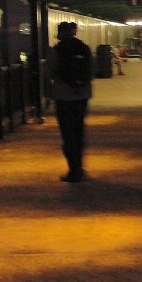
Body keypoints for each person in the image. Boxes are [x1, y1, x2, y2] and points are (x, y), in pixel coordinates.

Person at [48, 21, 93, 182]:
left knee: (68, 134)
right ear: (73, 32)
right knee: (79, 130)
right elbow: (91, 71)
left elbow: (50, 71)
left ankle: (73, 170)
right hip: (82, 95)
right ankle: (80, 167)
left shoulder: (57, 50)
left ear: (60, 34)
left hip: (63, 96)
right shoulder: (84, 48)